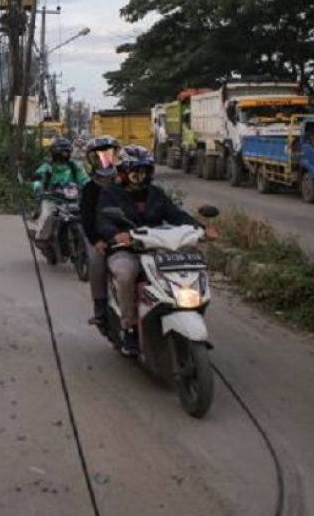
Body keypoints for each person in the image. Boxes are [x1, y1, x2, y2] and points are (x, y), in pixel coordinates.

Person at [95, 145, 218, 357]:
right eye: (135, 171)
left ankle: (189, 313)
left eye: (144, 171)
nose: (139, 176)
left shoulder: (156, 194)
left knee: (189, 269)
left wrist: (201, 228)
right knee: (125, 274)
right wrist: (116, 235)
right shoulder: (110, 195)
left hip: (156, 247)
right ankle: (130, 328)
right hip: (127, 249)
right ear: (123, 172)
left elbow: (176, 214)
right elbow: (103, 220)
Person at [81, 136, 120, 327]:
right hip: (99, 237)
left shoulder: (123, 182)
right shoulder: (90, 188)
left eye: (109, 154)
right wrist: (96, 240)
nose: (105, 159)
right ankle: (101, 307)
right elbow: (86, 218)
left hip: (126, 235)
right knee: (97, 263)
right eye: (100, 156)